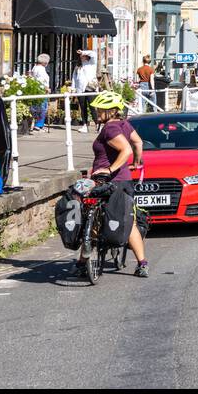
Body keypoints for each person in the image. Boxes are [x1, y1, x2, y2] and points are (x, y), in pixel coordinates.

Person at [80, 91, 149, 278]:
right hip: (125, 180)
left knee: (91, 215)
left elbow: (125, 149)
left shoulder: (109, 129)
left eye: (99, 109)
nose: (96, 112)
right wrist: (136, 162)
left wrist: (110, 170)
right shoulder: (124, 124)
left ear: (111, 110)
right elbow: (137, 142)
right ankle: (142, 263)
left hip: (109, 181)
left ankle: (81, 262)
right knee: (128, 221)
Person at [71, 49, 98, 132]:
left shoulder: (91, 63)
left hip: (90, 88)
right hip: (80, 89)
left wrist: (83, 52)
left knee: (92, 107)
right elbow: (74, 78)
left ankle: (97, 124)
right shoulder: (78, 67)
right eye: (81, 55)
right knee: (83, 108)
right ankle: (84, 125)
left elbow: (94, 54)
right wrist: (73, 88)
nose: (81, 56)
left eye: (83, 55)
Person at [30, 53, 51, 132]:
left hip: (37, 90)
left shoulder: (35, 67)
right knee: (42, 108)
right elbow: (41, 81)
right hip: (42, 90)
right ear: (44, 62)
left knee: (37, 107)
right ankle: (39, 125)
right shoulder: (41, 69)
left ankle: (39, 124)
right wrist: (47, 88)